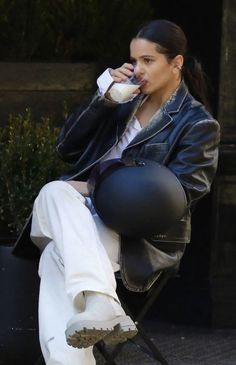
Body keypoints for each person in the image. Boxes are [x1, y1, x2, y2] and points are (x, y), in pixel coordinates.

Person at [13, 19, 220, 365]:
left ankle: (98, 303)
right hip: (84, 220)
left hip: (137, 232)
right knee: (55, 194)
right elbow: (66, 148)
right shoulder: (122, 101)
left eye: (148, 61)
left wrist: (100, 187)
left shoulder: (197, 124)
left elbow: (182, 194)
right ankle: (101, 302)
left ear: (176, 63)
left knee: (54, 242)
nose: (137, 70)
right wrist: (102, 98)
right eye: (134, 60)